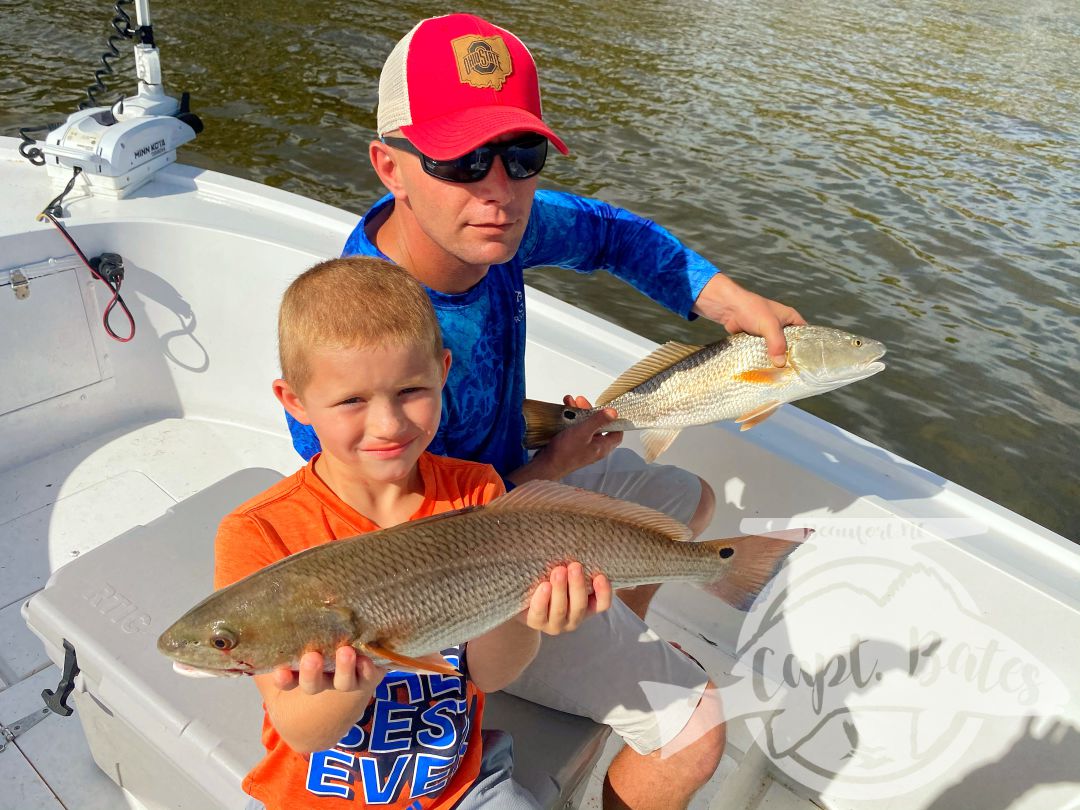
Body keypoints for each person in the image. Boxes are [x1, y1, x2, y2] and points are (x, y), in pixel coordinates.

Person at [285, 14, 806, 809]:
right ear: (390, 166)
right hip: (453, 577)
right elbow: (401, 558)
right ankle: (553, 665)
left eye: (519, 155)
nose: (496, 187)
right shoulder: (363, 357)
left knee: (685, 503)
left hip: (518, 481)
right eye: (460, 159)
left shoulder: (490, 225)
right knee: (698, 731)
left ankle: (594, 642)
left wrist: (726, 299)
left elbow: (612, 235)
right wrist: (545, 470)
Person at [216, 256, 613, 810]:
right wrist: (354, 672)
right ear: (295, 403)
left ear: (443, 370)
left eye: (410, 391)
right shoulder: (257, 533)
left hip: (459, 787)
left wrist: (526, 617)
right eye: (352, 400)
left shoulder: (477, 492)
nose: (388, 424)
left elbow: (489, 676)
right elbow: (303, 733)